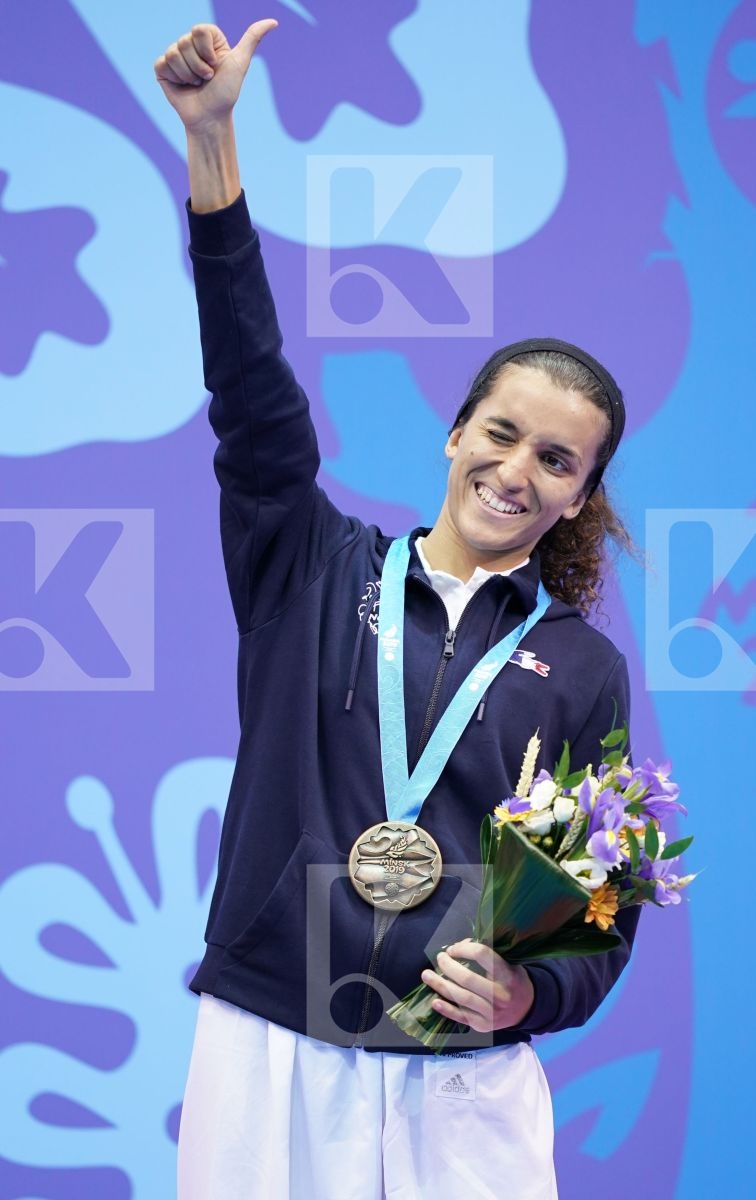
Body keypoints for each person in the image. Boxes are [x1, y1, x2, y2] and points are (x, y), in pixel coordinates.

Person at [155, 19, 639, 1199]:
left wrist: (535, 988)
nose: (519, 468)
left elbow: (591, 910)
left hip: (456, 1074)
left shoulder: (579, 668)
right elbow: (250, 390)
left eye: (559, 461)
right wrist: (213, 149)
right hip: (270, 1048)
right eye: (503, 431)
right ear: (456, 431)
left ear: (580, 497)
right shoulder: (310, 567)